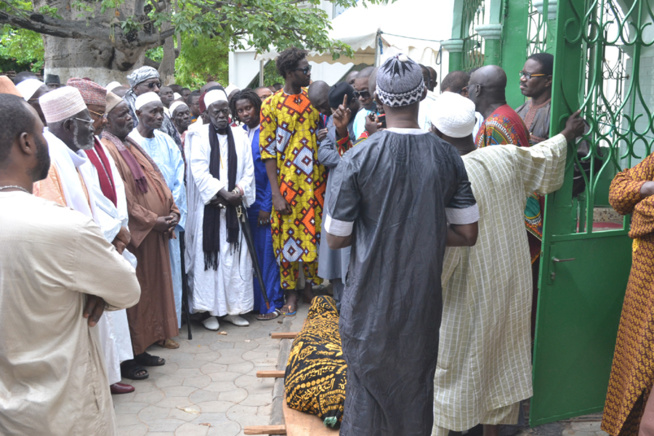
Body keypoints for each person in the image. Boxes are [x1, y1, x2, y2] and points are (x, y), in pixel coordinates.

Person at [324, 54, 479, 435]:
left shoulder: (357, 158)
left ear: (378, 96)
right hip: (420, 304)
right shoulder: (448, 157)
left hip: (366, 307)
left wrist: (383, 229)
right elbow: (467, 234)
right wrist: (420, 228)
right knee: (414, 395)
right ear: (423, 94)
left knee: (366, 401)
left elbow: (335, 236)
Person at [429, 92, 585, 436]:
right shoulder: (502, 156)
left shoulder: (442, 176)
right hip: (507, 281)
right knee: (499, 359)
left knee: (452, 365)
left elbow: (440, 247)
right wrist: (567, 135)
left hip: (462, 289)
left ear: (435, 133)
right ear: (473, 129)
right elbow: (544, 157)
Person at [0, 93, 140, 435]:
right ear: (27, 143)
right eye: (42, 132)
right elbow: (127, 289)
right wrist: (93, 291)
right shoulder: (64, 228)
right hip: (64, 412)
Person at [100, 92, 180, 375]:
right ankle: (129, 357)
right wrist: (151, 220)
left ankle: (142, 347)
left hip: (155, 231)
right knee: (135, 296)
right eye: (122, 114)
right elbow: (124, 199)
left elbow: (157, 177)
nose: (128, 119)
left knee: (149, 294)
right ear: (106, 120)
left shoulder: (127, 143)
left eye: (128, 113)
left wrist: (172, 210)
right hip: (138, 235)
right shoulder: (108, 147)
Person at [67, 77, 137, 395]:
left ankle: (114, 372)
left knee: (111, 318)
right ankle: (105, 379)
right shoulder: (66, 154)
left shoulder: (95, 146)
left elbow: (114, 193)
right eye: (94, 117)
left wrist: (119, 227)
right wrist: (112, 231)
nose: (99, 124)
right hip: (94, 242)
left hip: (111, 237)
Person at [260, 47, 326, 315]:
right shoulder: (271, 104)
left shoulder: (314, 100)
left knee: (313, 233)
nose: (309, 73)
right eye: (304, 69)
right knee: (286, 236)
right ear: (289, 72)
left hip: (315, 182)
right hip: (287, 183)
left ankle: (310, 287)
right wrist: (275, 193)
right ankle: (291, 293)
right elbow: (268, 152)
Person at [185, 88, 256, 330]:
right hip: (212, 210)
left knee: (235, 260)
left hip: (235, 209)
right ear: (207, 112)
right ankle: (211, 312)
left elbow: (248, 171)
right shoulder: (199, 135)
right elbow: (198, 170)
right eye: (217, 111)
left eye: (225, 110)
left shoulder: (240, 136)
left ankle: (233, 310)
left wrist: (238, 192)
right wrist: (220, 192)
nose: (222, 115)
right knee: (211, 262)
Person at [602, 155, 654, 436]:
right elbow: (617, 191)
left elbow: (645, 215)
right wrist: (647, 188)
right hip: (643, 296)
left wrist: (642, 202)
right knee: (635, 373)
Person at [129, 92, 187, 339]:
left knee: (170, 275)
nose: (157, 116)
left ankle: (168, 328)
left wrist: (173, 213)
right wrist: (152, 219)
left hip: (169, 223)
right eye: (152, 111)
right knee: (148, 278)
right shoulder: (129, 143)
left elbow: (179, 178)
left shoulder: (167, 140)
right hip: (146, 226)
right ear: (138, 113)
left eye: (160, 111)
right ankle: (149, 332)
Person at [230, 88, 285, 320]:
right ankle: (253, 302)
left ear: (257, 106)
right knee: (249, 256)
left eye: (248, 108)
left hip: (264, 202)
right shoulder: (239, 133)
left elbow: (269, 172)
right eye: (240, 110)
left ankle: (271, 304)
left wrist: (266, 205)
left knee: (266, 254)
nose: (245, 114)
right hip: (244, 204)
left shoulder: (267, 132)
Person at [317, 83, 358, 311]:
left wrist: (343, 147)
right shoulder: (332, 127)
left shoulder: (364, 123)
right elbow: (323, 153)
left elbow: (357, 156)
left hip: (356, 199)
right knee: (336, 255)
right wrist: (344, 153)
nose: (334, 115)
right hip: (336, 194)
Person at [468, 65, 530, 148]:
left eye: (468, 87)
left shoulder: (493, 126)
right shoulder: (509, 114)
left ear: (477, 89)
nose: (467, 92)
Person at [123, 66, 181, 148]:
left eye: (158, 85)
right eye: (151, 85)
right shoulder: (124, 110)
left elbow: (175, 143)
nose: (157, 89)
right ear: (135, 88)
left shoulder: (162, 111)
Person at [516, 53, 553, 145]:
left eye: (528, 75)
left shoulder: (557, 115)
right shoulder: (519, 111)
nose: (522, 79)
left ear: (548, 80)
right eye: (522, 73)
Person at [351, 66, 377, 139]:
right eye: (357, 93)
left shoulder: (389, 116)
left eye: (365, 93)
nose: (360, 98)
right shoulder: (360, 116)